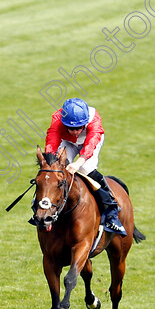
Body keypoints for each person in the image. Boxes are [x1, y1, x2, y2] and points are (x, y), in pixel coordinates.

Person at [45, 98, 127, 236]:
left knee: (86, 169)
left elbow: (90, 144)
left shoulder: (93, 119)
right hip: (68, 142)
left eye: (79, 127)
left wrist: (78, 163)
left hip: (90, 141)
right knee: (57, 169)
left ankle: (112, 210)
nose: (75, 132)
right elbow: (52, 141)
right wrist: (50, 162)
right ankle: (43, 205)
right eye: (71, 128)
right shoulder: (58, 119)